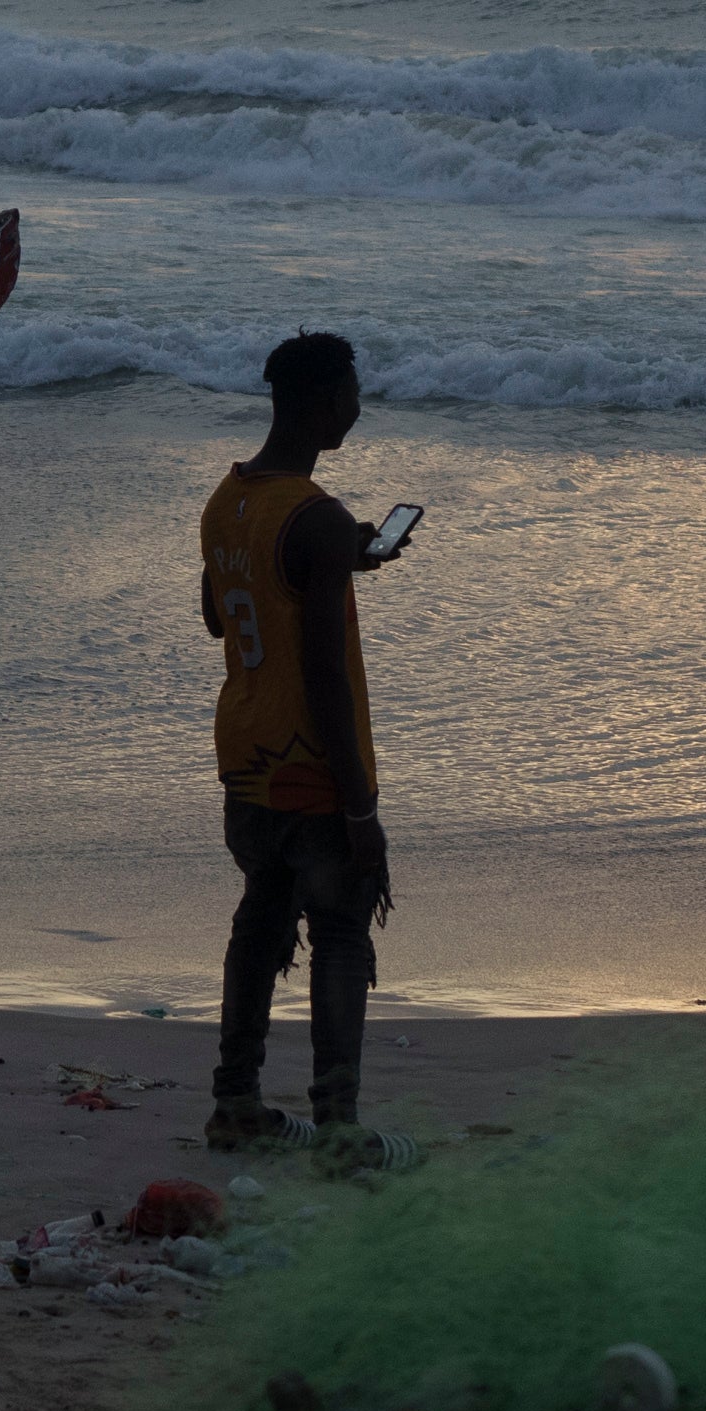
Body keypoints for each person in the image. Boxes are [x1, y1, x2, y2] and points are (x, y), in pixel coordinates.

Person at [199, 328, 406, 1148]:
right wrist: (360, 808)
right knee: (343, 932)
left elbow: (218, 610)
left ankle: (236, 1103)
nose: (356, 409)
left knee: (262, 917)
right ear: (324, 405)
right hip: (310, 769)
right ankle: (339, 1128)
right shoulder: (319, 518)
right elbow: (324, 676)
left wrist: (336, 565)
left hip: (244, 761)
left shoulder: (230, 499)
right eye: (351, 395)